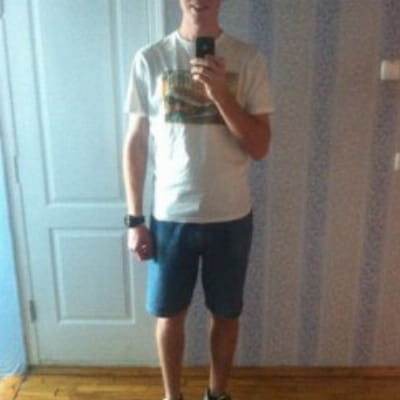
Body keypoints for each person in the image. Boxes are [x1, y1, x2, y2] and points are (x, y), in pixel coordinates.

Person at [122, 1, 274, 399]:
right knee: (168, 315)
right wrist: (134, 219)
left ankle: (216, 394)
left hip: (231, 215)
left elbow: (260, 146)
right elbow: (136, 144)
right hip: (170, 216)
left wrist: (221, 95)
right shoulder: (150, 59)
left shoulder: (248, 60)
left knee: (226, 314)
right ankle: (172, 396)